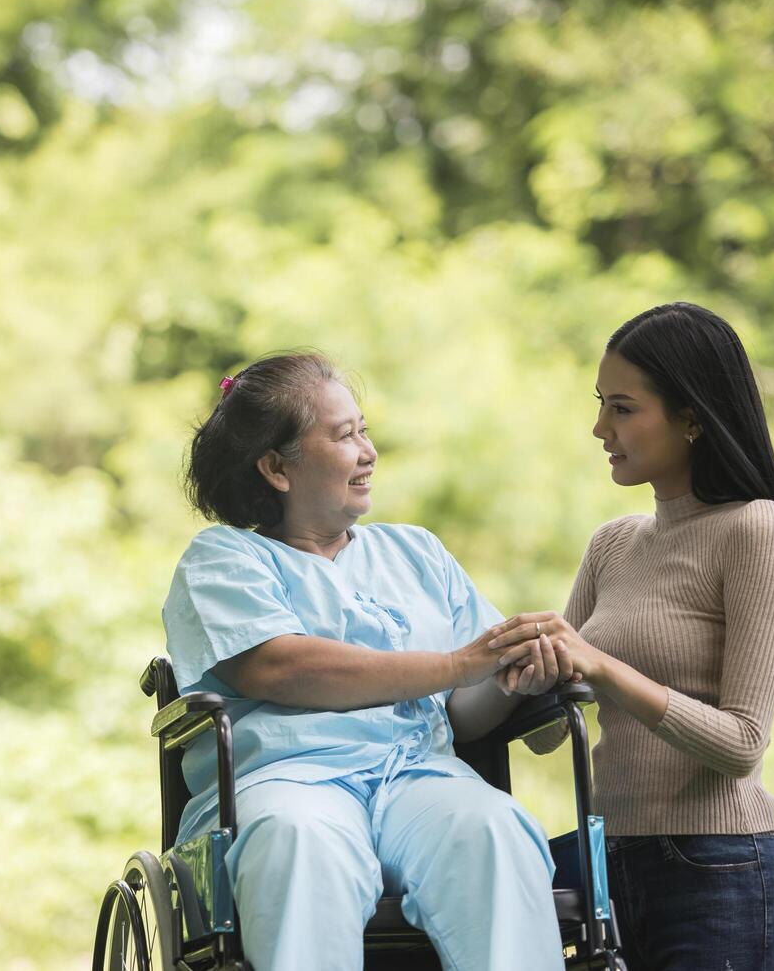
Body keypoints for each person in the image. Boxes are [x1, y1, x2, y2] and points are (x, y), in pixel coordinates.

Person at [163, 351, 570, 971]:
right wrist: (462, 662)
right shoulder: (223, 560)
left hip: (417, 777)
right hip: (288, 779)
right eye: (344, 435)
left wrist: (513, 675)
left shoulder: (416, 552)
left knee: (493, 829)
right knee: (297, 842)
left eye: (364, 429)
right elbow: (282, 668)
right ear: (277, 468)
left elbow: (463, 713)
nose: (369, 450)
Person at [494, 302, 774, 970]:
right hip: (605, 866)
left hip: (716, 871)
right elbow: (550, 732)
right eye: (600, 404)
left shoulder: (755, 529)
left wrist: (601, 668)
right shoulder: (612, 543)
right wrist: (528, 666)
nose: (599, 427)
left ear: (691, 417)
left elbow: (741, 745)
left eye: (622, 407)